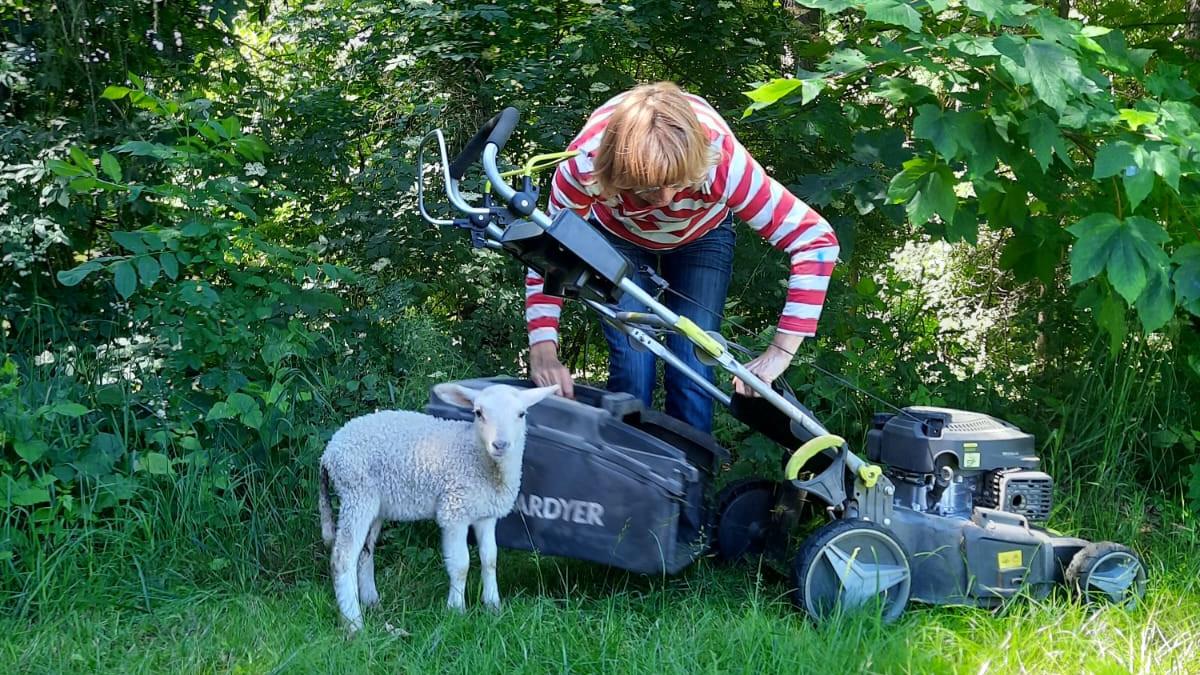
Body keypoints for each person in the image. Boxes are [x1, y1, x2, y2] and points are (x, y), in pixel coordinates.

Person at [525, 81, 839, 434]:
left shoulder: (722, 163)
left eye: (678, 183)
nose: (664, 199)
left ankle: (689, 478)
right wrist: (543, 347)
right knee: (633, 363)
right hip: (617, 236)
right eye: (645, 187)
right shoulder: (584, 166)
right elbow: (553, 252)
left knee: (694, 364)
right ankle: (624, 476)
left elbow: (816, 240)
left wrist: (781, 351)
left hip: (703, 236)